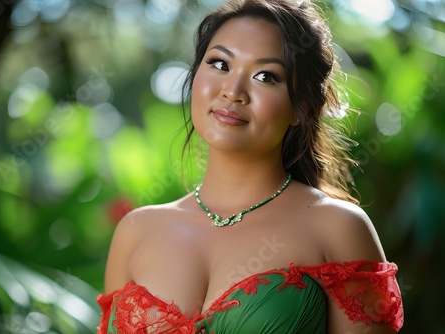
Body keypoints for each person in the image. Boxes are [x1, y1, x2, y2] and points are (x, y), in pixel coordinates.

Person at [97, 0, 404, 333]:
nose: (232, 91)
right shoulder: (136, 231)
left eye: (265, 76)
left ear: (301, 107)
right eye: (219, 63)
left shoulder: (338, 228)